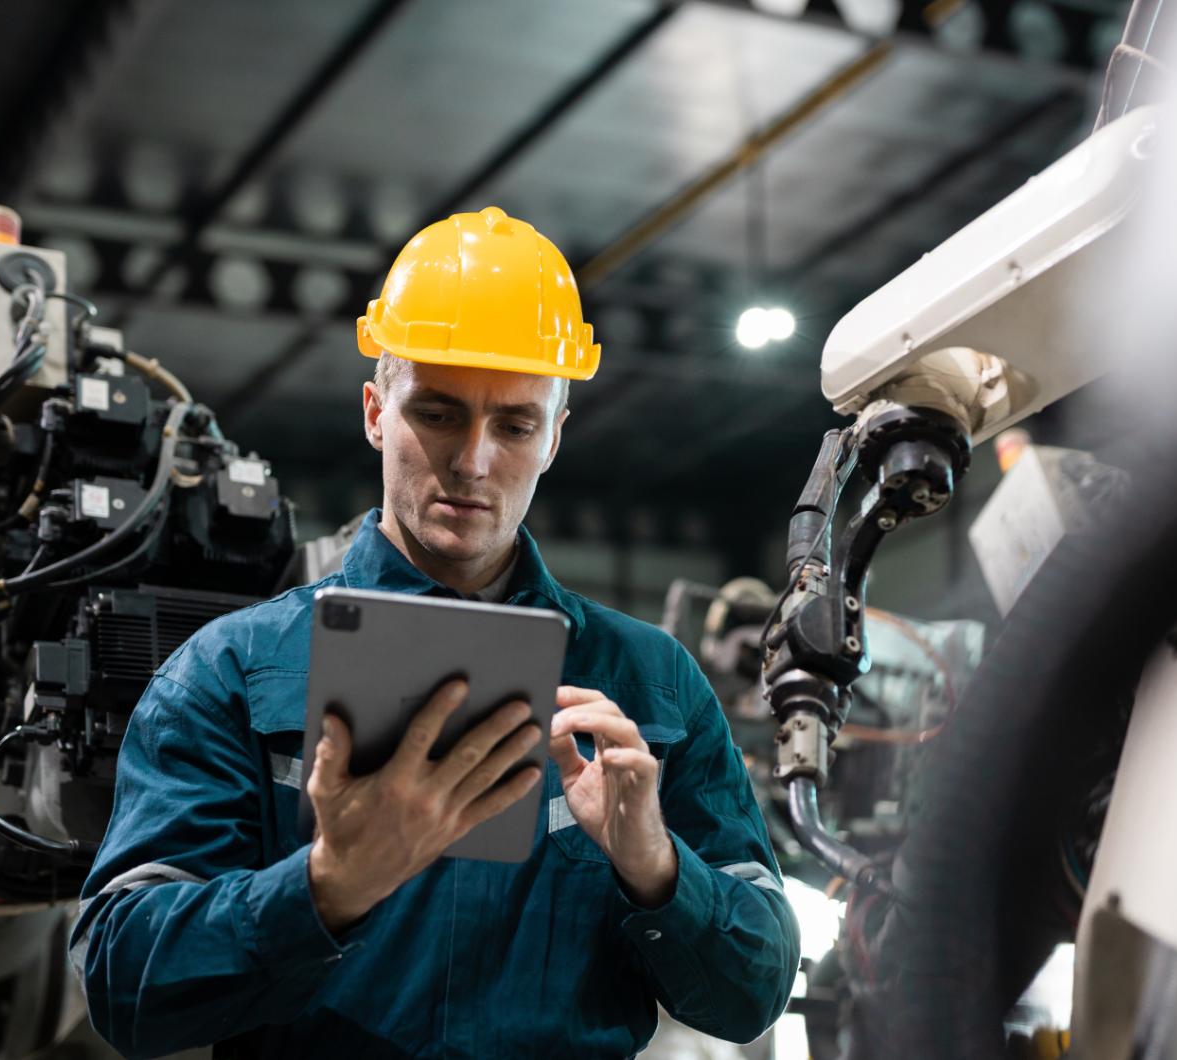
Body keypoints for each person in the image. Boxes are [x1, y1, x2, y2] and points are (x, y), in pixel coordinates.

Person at [71, 206, 800, 1058]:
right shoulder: (233, 671)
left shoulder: (652, 685)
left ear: (555, 437)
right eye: (441, 414)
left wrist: (658, 868)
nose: (474, 460)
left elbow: (756, 991)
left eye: (517, 425)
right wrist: (328, 885)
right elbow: (123, 981)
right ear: (378, 411)